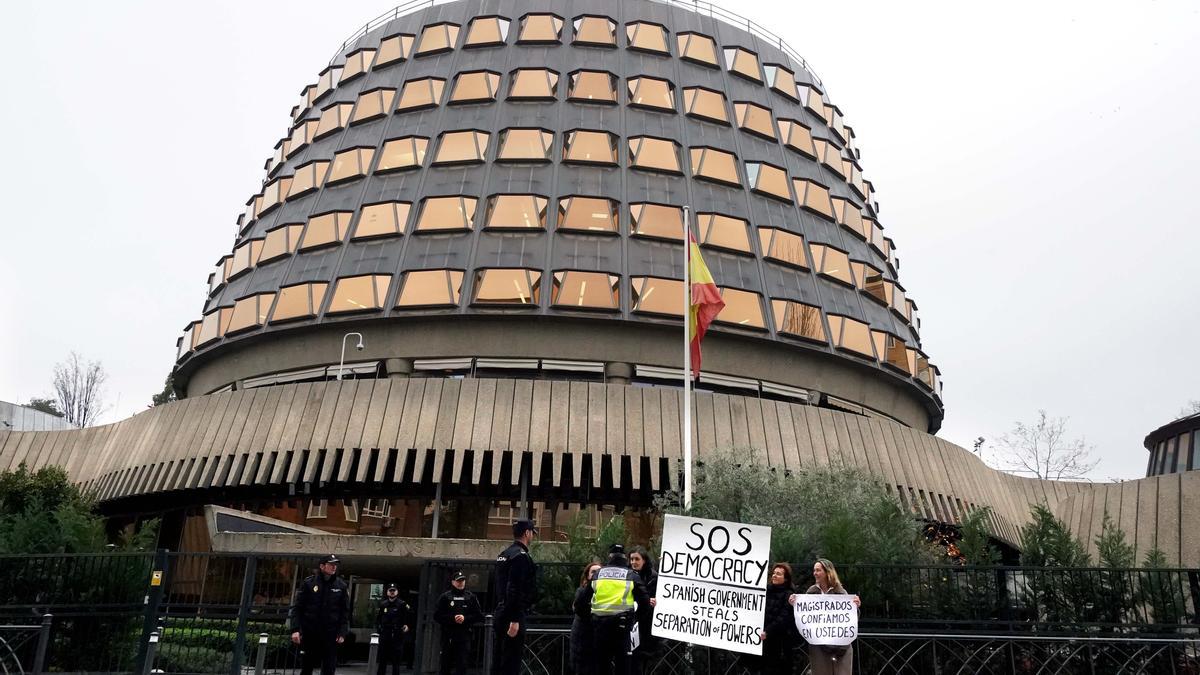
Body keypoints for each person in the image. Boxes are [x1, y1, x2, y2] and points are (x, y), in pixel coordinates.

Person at [575, 544, 651, 675]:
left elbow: (580, 603)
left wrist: (592, 618)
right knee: (623, 668)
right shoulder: (631, 575)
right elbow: (645, 603)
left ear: (610, 557)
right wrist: (634, 619)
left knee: (602, 667)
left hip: (600, 628)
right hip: (622, 629)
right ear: (625, 558)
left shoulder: (598, 574)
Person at [790, 559, 858, 675]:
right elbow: (804, 617)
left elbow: (852, 618)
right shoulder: (812, 592)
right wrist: (795, 605)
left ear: (827, 572)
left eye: (818, 570)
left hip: (841, 646)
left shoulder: (841, 592)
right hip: (819, 647)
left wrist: (855, 606)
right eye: (814, 570)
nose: (815, 573)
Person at [288, 554, 352, 675]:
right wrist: (295, 629)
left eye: (335, 565)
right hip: (310, 633)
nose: (334, 567)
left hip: (331, 634)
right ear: (322, 566)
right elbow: (298, 608)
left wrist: (342, 632)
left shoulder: (341, 586)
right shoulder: (309, 583)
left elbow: (345, 611)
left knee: (329, 667)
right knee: (307, 666)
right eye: (331, 564)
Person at [492, 519, 538, 675]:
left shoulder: (504, 555)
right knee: (511, 662)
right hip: (512, 615)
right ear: (527, 533)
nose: (533, 536)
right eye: (532, 533)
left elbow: (500, 587)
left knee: (499, 660)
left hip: (501, 612)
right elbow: (515, 588)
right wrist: (515, 619)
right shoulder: (521, 556)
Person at [434, 570, 483, 675]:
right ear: (453, 582)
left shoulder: (471, 597)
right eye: (458, 581)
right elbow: (437, 616)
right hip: (448, 636)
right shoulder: (445, 597)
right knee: (445, 664)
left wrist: (465, 618)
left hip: (464, 636)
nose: (461, 583)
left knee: (462, 665)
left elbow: (478, 616)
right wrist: (452, 619)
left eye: (462, 581)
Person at [759, 563, 799, 675]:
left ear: (786, 579)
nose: (774, 576)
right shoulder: (765, 591)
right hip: (764, 641)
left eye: (778, 574)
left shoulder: (789, 595)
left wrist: (768, 631)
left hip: (780, 643)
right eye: (773, 573)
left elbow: (784, 618)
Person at [627, 546, 659, 673]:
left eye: (637, 559)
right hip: (632, 621)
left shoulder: (653, 576)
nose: (633, 562)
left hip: (649, 623)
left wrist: (654, 600)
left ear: (644, 560)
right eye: (631, 559)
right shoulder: (627, 575)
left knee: (648, 659)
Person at [570, 562, 602, 675]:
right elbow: (579, 609)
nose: (596, 574)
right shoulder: (582, 591)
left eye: (599, 571)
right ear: (587, 575)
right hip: (582, 639)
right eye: (593, 572)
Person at [375, 583, 411, 675]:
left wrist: (407, 625)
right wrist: (379, 630)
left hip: (397, 634)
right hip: (385, 634)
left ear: (397, 592)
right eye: (390, 591)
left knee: (396, 661)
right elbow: (379, 619)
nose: (392, 592)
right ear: (387, 592)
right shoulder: (383, 604)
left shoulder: (402, 604)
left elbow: (409, 616)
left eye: (393, 591)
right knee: (382, 659)